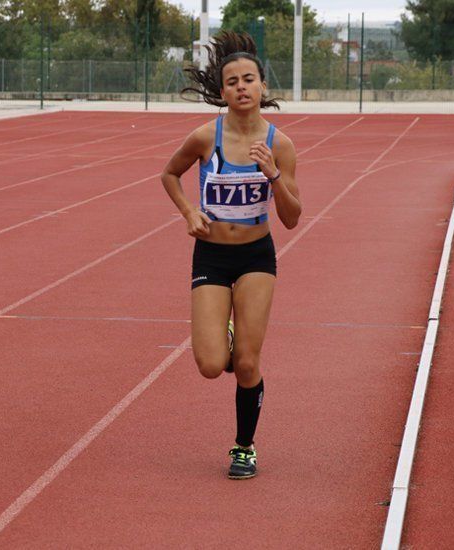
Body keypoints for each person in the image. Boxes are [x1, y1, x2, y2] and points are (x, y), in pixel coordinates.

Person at [160, 31, 302, 480]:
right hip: (212, 257)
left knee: (245, 363)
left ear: (262, 86)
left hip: (257, 257)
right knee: (210, 365)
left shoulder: (279, 145)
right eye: (232, 81)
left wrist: (273, 174)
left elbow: (293, 217)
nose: (242, 87)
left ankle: (244, 447)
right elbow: (169, 174)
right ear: (222, 92)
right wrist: (188, 212)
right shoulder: (206, 136)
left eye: (249, 79)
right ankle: (222, 324)